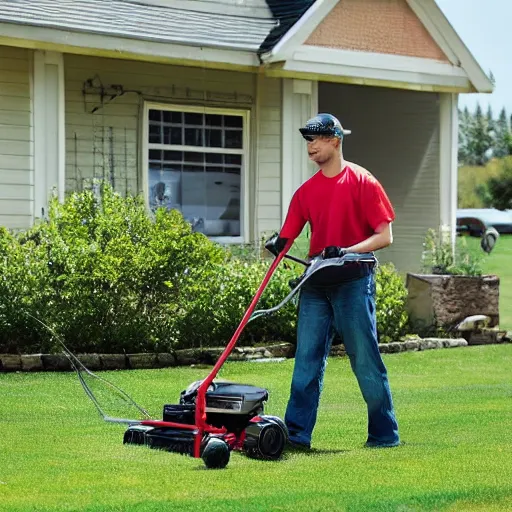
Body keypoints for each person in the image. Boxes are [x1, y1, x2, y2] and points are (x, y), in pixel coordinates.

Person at [264, 113, 400, 450]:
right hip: (315, 284)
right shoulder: (305, 192)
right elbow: (287, 235)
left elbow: (385, 235)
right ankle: (296, 435)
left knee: (365, 359)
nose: (310, 146)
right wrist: (277, 245)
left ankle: (384, 434)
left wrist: (347, 250)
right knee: (306, 361)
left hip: (354, 280)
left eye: (317, 139)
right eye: (307, 140)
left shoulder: (362, 182)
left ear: (335, 140)